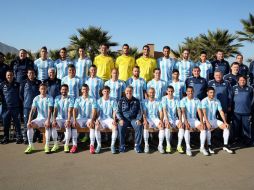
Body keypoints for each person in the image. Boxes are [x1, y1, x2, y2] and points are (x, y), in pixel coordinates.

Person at [201, 87, 233, 154]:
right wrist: (207, 122)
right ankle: (209, 146)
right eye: (210, 92)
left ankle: (225, 145)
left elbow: (221, 111)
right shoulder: (204, 101)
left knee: (226, 127)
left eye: (213, 92)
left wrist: (225, 122)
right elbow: (203, 113)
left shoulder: (217, 100)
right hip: (206, 120)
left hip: (214, 119)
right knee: (208, 129)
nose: (212, 94)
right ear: (207, 93)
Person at [24, 83, 54, 154]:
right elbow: (32, 110)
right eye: (41, 89)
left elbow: (50, 110)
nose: (43, 90)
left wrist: (48, 120)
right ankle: (30, 145)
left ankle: (47, 145)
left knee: (47, 126)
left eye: (44, 89)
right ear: (39, 89)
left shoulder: (50, 98)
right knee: (29, 125)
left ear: (46, 89)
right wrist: (29, 121)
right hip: (39, 118)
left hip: (49, 118)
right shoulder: (36, 98)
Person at [180, 86, 207, 156]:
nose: (190, 92)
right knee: (186, 129)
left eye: (191, 91)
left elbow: (199, 112)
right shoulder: (183, 100)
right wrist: (185, 122)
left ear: (193, 92)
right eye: (188, 91)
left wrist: (201, 122)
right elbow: (183, 111)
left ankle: (202, 147)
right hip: (186, 119)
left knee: (203, 128)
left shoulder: (197, 100)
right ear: (186, 92)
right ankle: (188, 148)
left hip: (194, 120)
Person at [117, 86, 143, 153]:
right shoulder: (121, 100)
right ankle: (122, 145)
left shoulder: (136, 101)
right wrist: (120, 119)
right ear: (125, 92)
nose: (129, 92)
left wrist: (138, 119)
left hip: (133, 119)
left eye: (130, 91)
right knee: (120, 126)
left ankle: (137, 145)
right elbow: (118, 111)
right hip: (124, 119)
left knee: (139, 125)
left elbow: (139, 111)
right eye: (127, 91)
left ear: (132, 92)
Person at [73, 84, 97, 154]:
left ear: (88, 90)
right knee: (74, 125)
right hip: (80, 118)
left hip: (89, 119)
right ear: (81, 90)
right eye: (83, 89)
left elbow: (94, 110)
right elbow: (74, 110)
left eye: (86, 89)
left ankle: (92, 145)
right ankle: (74, 145)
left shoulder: (92, 98)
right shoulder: (78, 99)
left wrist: (92, 120)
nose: (85, 90)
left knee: (92, 125)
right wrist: (74, 120)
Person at [0, 70, 22, 144]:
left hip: (15, 107)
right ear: (6, 76)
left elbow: (21, 95)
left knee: (17, 123)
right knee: (6, 124)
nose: (9, 76)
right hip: (6, 108)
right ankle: (6, 138)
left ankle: (19, 137)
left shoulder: (17, 84)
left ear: (13, 76)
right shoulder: (2, 85)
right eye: (8, 75)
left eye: (11, 75)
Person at [19, 68, 41, 144]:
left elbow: (41, 93)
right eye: (29, 73)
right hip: (27, 106)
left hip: (37, 107)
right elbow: (21, 94)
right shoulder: (23, 82)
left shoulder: (38, 82)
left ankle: (37, 137)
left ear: (35, 74)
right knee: (26, 123)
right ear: (27, 74)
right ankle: (26, 138)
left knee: (37, 122)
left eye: (32, 73)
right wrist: (26, 101)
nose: (31, 74)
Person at [95, 86, 118, 154]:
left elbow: (114, 111)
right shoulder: (98, 100)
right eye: (105, 91)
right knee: (96, 127)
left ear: (109, 92)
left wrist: (114, 120)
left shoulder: (113, 100)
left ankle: (112, 146)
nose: (106, 92)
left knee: (115, 127)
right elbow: (97, 112)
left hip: (109, 119)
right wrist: (96, 119)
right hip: (101, 119)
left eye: (108, 91)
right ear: (102, 92)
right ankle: (99, 145)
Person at [232, 75, 254, 146]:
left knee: (246, 127)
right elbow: (231, 98)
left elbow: (252, 100)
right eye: (241, 80)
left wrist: (250, 109)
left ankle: (247, 141)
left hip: (246, 112)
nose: (242, 81)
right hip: (236, 112)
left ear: (246, 81)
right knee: (236, 127)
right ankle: (235, 140)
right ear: (238, 81)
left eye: (244, 80)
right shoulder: (234, 88)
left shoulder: (250, 88)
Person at [52, 84, 74, 153]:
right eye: (62, 89)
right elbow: (55, 110)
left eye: (65, 90)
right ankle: (55, 144)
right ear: (60, 90)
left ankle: (66, 145)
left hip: (68, 117)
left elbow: (70, 110)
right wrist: (54, 119)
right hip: (59, 118)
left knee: (67, 126)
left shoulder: (71, 98)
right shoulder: (57, 98)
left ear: (68, 90)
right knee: (53, 125)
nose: (64, 91)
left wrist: (68, 120)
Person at [162, 86, 183, 154]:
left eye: (171, 91)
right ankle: (168, 145)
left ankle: (179, 146)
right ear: (167, 92)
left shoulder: (177, 98)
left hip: (175, 118)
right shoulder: (164, 98)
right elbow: (164, 110)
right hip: (167, 118)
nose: (170, 93)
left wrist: (180, 120)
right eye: (169, 91)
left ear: (173, 91)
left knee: (181, 126)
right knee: (167, 126)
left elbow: (178, 110)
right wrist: (167, 120)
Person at [142, 87, 164, 153]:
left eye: (153, 92)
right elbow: (144, 112)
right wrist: (145, 119)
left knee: (161, 126)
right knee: (145, 125)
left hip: (155, 118)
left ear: (155, 93)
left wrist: (161, 120)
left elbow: (161, 112)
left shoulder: (158, 101)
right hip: (148, 118)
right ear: (148, 93)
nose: (151, 94)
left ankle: (160, 145)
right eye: (150, 92)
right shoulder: (144, 101)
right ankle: (146, 145)